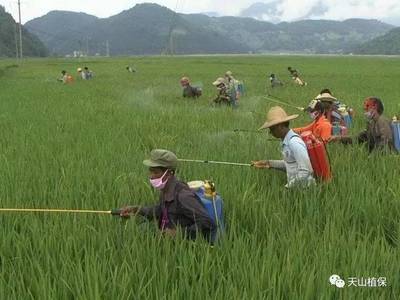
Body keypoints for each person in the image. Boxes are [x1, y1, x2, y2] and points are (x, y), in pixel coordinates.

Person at [118, 149, 216, 242]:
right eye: (151, 171)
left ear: (169, 173)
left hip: (183, 242)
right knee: (140, 229)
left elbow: (207, 222)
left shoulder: (183, 196)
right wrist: (137, 209)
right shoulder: (166, 189)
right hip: (165, 232)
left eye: (156, 172)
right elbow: (161, 210)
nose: (151, 176)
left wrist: (178, 233)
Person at [252, 106, 315, 188]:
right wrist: (269, 163)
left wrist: (288, 187)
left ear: (280, 126)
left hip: (306, 189)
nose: (271, 133)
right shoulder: (286, 142)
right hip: (296, 189)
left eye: (271, 129)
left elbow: (306, 170)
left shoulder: (294, 142)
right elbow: (290, 164)